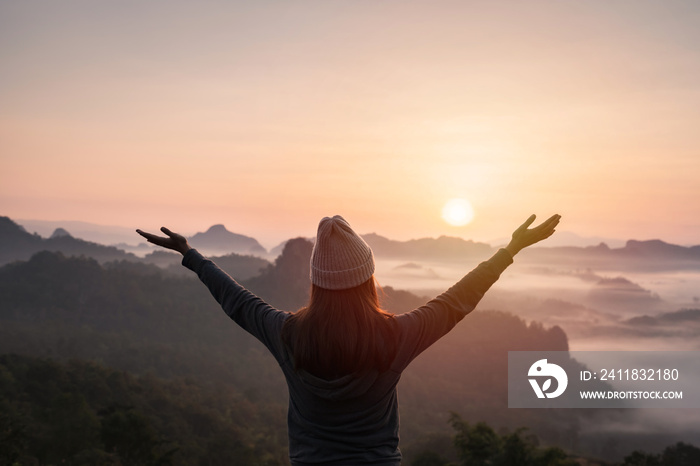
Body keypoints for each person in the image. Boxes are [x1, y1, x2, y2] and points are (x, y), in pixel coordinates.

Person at [136, 213, 560, 466]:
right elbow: (457, 301)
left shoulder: (289, 335)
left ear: (317, 284)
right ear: (368, 280)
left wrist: (190, 255)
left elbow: (238, 302)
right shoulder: (393, 338)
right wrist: (512, 249)